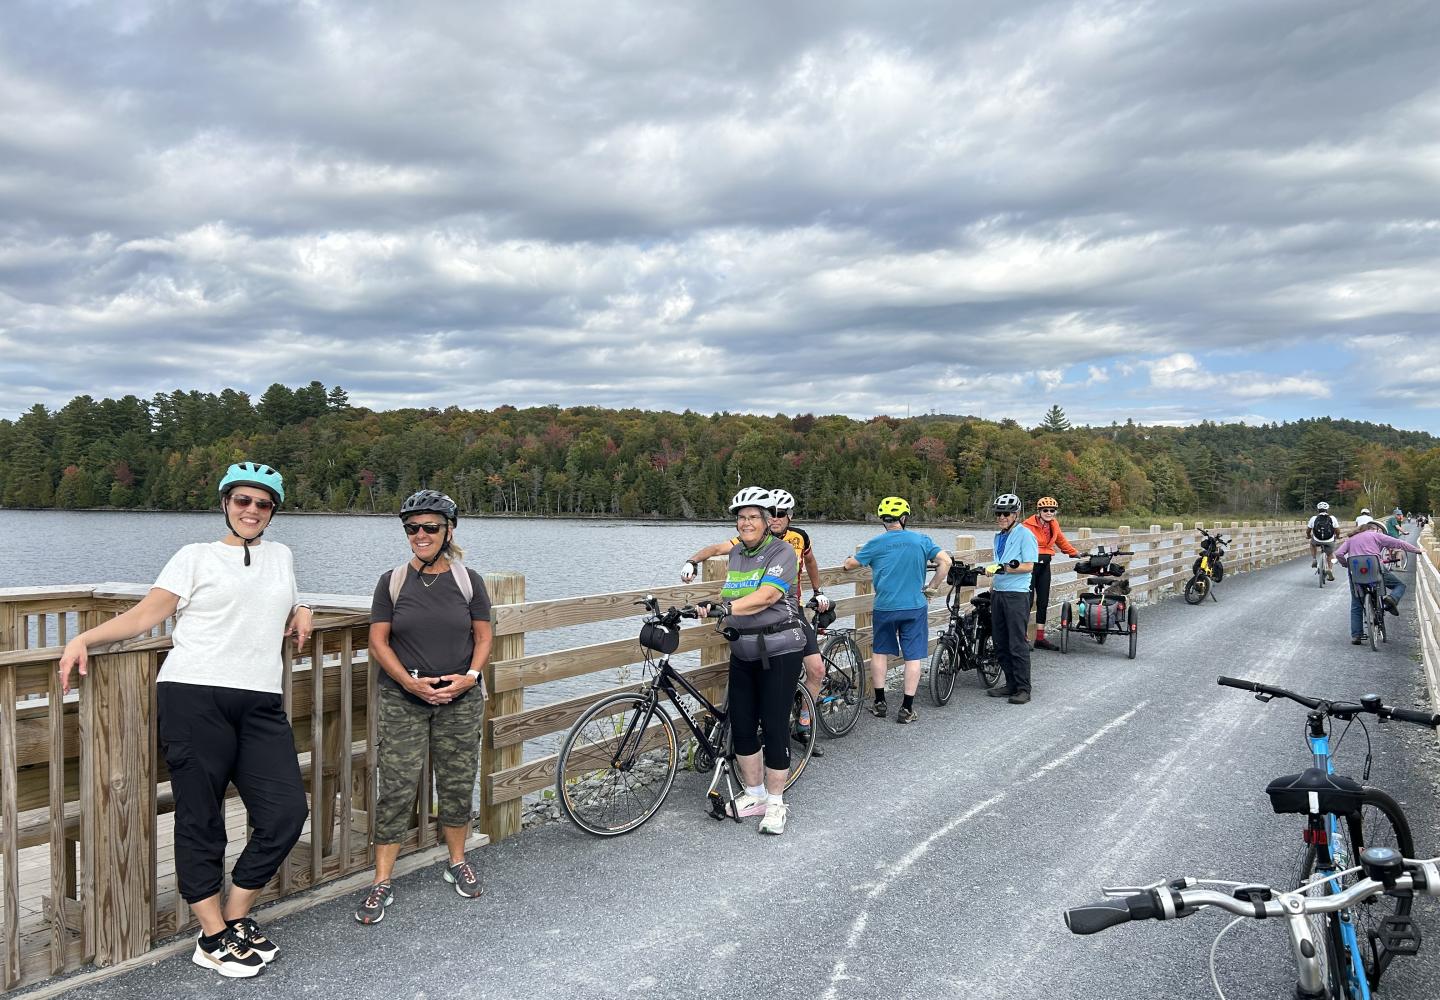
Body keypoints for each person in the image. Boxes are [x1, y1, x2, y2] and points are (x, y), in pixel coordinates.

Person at [58, 462, 311, 978]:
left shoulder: (281, 556)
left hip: (260, 701)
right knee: (202, 818)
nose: (252, 511)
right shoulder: (194, 557)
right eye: (242, 500)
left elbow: (278, 597)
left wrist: (304, 607)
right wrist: (84, 638)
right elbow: (145, 616)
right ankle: (212, 934)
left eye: (263, 504)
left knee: (286, 810)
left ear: (273, 513)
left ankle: (235, 916)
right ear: (225, 503)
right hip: (194, 696)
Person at [357, 490, 493, 924]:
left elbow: (484, 636)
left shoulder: (468, 580)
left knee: (456, 782)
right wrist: (409, 683)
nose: (420, 535)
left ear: (448, 531)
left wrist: (469, 677)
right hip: (403, 699)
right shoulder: (392, 581)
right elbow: (378, 641)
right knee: (396, 786)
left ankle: (457, 861)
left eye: (430, 527)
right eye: (412, 528)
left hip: (460, 697)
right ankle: (381, 881)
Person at [696, 487, 807, 835]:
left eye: (753, 517)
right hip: (742, 649)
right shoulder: (737, 556)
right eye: (741, 518)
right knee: (742, 726)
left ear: (766, 520)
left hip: (780, 649)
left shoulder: (783, 551)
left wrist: (727, 608)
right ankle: (754, 795)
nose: (747, 523)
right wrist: (706, 605)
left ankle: (776, 803)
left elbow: (767, 596)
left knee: (773, 725)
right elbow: (734, 594)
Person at [680, 488, 830, 736]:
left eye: (782, 514)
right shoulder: (745, 542)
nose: (777, 518)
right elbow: (716, 549)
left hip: (790, 611)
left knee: (817, 669)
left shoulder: (798, 538)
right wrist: (692, 561)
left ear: (787, 516)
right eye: (774, 513)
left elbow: (811, 563)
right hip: (752, 616)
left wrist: (818, 590)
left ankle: (805, 720)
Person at [841, 496, 950, 724]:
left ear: (883, 520)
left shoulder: (876, 543)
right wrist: (932, 588)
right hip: (914, 606)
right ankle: (906, 708)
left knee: (880, 652)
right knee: (913, 656)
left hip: (885, 607)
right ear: (904, 518)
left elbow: (849, 565)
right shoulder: (921, 540)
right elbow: (946, 562)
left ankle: (880, 703)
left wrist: (850, 559)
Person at [982, 494, 1039, 705]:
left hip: (1017, 594)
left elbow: (1029, 565)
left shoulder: (1026, 535)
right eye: (999, 513)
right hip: (999, 592)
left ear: (1015, 514)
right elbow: (999, 563)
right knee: (1000, 642)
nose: (1002, 517)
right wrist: (993, 583)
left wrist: (1003, 568)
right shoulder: (998, 536)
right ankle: (1010, 684)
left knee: (1017, 642)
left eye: (1006, 513)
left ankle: (1024, 688)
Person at [1333, 516, 1422, 644]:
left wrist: (1346, 565)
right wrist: (1417, 550)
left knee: (1357, 603)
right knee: (1399, 585)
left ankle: (1356, 635)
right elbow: (1399, 543)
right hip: (1375, 570)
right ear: (1375, 529)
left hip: (1356, 573)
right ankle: (1391, 599)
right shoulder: (1376, 535)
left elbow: (1339, 554)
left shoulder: (1351, 539)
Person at [1021, 496, 1080, 650]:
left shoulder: (1054, 525)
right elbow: (1018, 543)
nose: (1048, 513)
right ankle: (1022, 637)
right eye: (1045, 510)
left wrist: (1074, 553)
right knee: (1026, 601)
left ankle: (1040, 638)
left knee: (1043, 601)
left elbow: (1061, 541)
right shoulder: (1027, 526)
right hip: (1030, 567)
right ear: (1039, 511)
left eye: (1051, 510)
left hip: (1044, 566)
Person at [1306, 501, 1340, 581]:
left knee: (1312, 544)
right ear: (1327, 510)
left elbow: (1308, 531)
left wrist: (1308, 536)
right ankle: (1330, 569)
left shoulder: (1313, 518)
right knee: (1330, 553)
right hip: (1329, 540)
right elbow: (1337, 531)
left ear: (1318, 510)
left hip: (1317, 539)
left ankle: (1314, 559)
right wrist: (1337, 536)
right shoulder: (1332, 518)